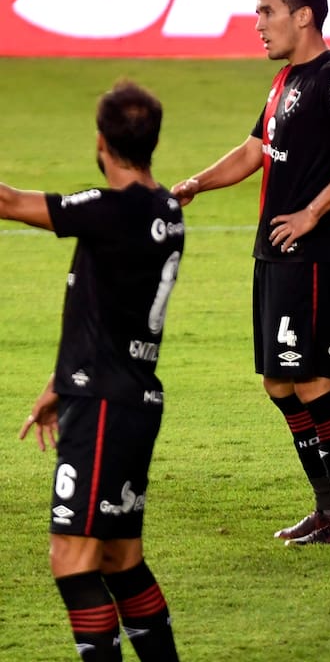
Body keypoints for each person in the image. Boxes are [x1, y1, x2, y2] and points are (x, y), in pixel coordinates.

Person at [172, 0, 330, 544]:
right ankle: (327, 509)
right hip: (273, 255)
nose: (258, 24)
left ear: (304, 16)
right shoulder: (285, 82)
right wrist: (196, 182)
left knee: (314, 380)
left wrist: (314, 212)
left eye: (267, 12)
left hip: (309, 256)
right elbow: (253, 151)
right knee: (279, 382)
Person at [9, 80, 182, 661]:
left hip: (106, 409)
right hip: (127, 398)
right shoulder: (166, 208)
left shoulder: (112, 212)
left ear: (102, 142)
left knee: (72, 558)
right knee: (118, 558)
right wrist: (61, 383)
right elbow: (108, 306)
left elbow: (8, 202)